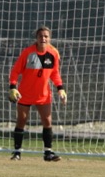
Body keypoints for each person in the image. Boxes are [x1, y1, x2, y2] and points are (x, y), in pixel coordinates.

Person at [8, 25, 67, 162]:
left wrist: (60, 88)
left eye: (46, 36)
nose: (43, 38)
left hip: (43, 94)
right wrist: (13, 87)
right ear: (36, 38)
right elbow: (15, 71)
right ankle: (17, 152)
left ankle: (48, 153)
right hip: (25, 93)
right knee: (21, 120)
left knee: (47, 121)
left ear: (50, 38)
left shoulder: (54, 53)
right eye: (41, 36)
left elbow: (55, 73)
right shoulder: (28, 53)